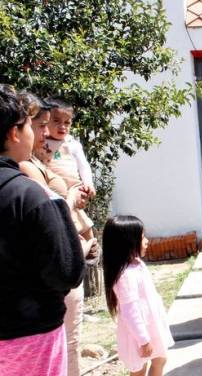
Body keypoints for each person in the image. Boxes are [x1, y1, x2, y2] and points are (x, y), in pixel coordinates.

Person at [0, 84, 85, 376]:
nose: (44, 134)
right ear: (14, 132)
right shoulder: (31, 195)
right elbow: (67, 272)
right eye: (30, 125)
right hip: (30, 337)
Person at [17, 91, 97, 376]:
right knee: (67, 342)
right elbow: (51, 212)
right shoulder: (26, 169)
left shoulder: (43, 158)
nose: (45, 133)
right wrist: (71, 202)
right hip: (55, 278)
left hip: (71, 246)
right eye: (39, 126)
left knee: (69, 341)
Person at [103, 215, 173, 376]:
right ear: (127, 242)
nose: (147, 241)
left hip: (150, 325)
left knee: (160, 359)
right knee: (139, 370)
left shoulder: (137, 264)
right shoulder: (125, 275)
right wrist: (143, 340)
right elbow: (130, 311)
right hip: (139, 333)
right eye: (142, 237)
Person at [44, 98, 96, 240]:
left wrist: (88, 183)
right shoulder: (41, 142)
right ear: (45, 119)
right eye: (56, 121)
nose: (62, 126)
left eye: (67, 122)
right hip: (54, 194)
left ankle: (92, 254)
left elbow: (83, 166)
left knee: (86, 230)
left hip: (74, 190)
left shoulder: (72, 143)